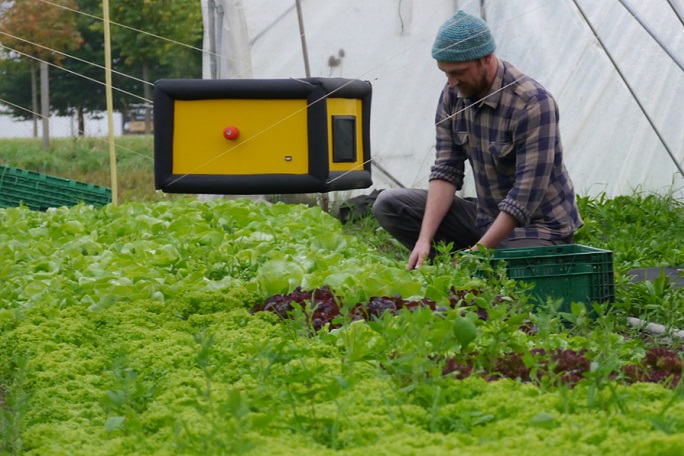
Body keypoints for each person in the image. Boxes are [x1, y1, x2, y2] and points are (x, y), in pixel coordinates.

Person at [373, 10, 583, 270]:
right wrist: (423, 239)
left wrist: (478, 253)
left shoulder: (532, 103)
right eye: (445, 72)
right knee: (390, 204)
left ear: (487, 59)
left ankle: (472, 264)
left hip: (540, 229)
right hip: (486, 220)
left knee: (501, 259)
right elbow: (446, 170)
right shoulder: (453, 94)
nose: (451, 82)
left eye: (458, 72)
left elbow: (524, 197)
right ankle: (457, 264)